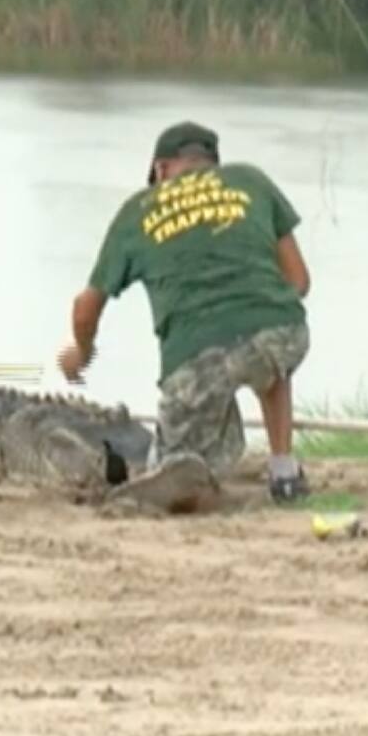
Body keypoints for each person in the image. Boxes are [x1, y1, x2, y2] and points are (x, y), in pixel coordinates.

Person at [58, 121, 312, 509]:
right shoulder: (251, 181)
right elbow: (299, 280)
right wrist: (256, 309)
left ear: (160, 170)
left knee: (173, 465)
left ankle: (183, 472)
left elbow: (85, 307)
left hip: (197, 360)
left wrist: (82, 351)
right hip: (284, 334)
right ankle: (284, 473)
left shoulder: (138, 211)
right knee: (269, 355)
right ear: (212, 164)